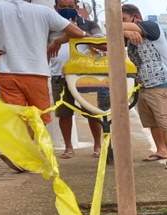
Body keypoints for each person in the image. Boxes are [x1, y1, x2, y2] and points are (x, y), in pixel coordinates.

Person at [0, 0, 88, 172]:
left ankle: (21, 153)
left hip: (6, 71)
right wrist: (58, 40)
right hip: (36, 72)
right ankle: (24, 154)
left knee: (17, 117)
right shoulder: (43, 12)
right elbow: (78, 33)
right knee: (39, 117)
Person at [121, 4, 167, 170]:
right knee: (152, 122)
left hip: (160, 83)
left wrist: (123, 29)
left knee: (166, 122)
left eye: (124, 20)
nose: (121, 23)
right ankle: (161, 150)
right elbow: (108, 31)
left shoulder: (151, 26)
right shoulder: (129, 37)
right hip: (143, 86)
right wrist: (125, 31)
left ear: (136, 17)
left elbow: (109, 25)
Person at [51, 0, 104, 159]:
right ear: (55, 8)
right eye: (62, 8)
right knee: (63, 113)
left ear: (76, 7)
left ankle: (97, 145)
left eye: (70, 7)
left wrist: (78, 32)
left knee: (91, 110)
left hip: (85, 75)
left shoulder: (89, 24)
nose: (67, 10)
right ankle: (68, 147)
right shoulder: (50, 25)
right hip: (58, 75)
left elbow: (102, 45)